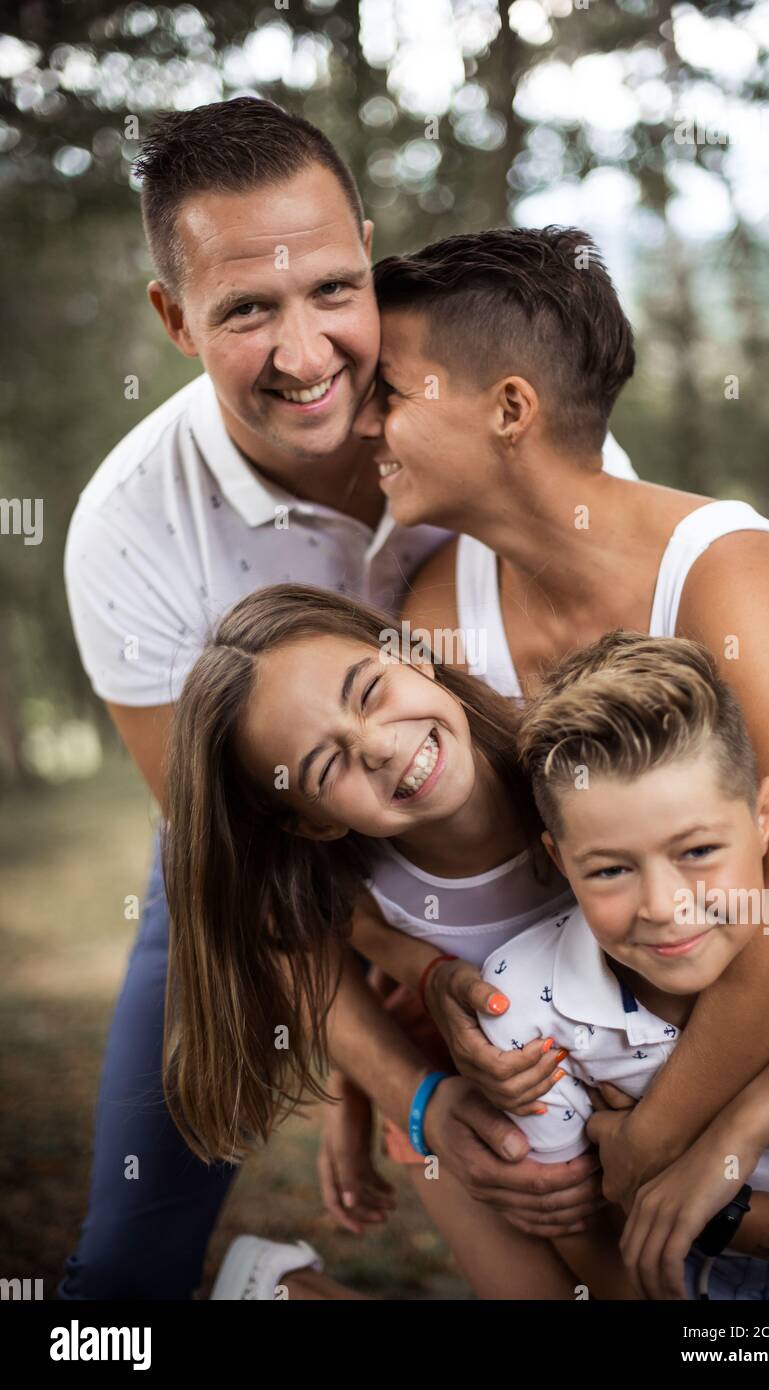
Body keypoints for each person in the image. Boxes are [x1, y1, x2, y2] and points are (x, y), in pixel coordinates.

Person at [61, 98, 631, 1299]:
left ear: (367, 251)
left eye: (330, 288)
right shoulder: (129, 531)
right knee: (123, 1277)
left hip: (529, 838)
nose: (306, 352)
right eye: (245, 309)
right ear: (173, 318)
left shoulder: (496, 412)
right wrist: (406, 1077)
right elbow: (257, 875)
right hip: (262, 869)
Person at [350, 224, 769, 1260]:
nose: (364, 424)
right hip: (627, 1046)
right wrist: (414, 1016)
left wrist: (658, 1143)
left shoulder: (725, 573)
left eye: (391, 392)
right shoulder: (442, 609)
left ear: (508, 408)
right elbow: (422, 874)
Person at [159, 581, 636, 1299]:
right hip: (475, 1112)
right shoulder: (365, 890)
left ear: (411, 651)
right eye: (326, 767)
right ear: (313, 822)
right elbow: (354, 957)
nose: (380, 747)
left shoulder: (578, 757)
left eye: (369, 691)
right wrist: (381, 1102)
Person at [477, 630, 769, 1300]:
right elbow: (578, 1227)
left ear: (765, 816)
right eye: (609, 869)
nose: (664, 906)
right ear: (560, 859)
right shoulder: (526, 1002)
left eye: (696, 852)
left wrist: (712, 1201)